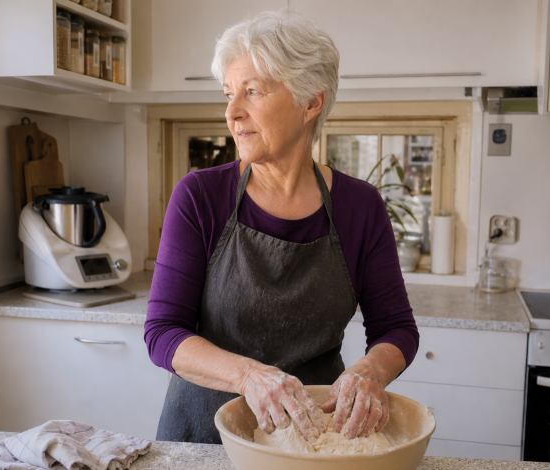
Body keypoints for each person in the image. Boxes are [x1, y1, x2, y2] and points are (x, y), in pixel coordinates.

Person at [144, 9, 419, 445]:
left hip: (313, 438)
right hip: (203, 439)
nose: (232, 113)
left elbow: (396, 329)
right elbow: (162, 333)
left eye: (252, 92)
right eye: (228, 94)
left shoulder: (360, 207)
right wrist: (250, 376)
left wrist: (370, 372)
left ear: (312, 102)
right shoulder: (199, 195)